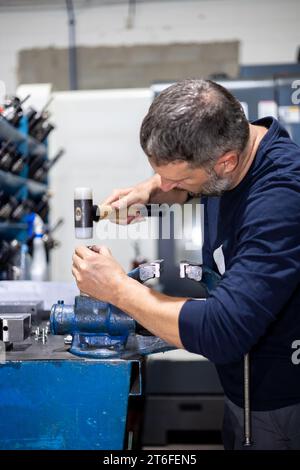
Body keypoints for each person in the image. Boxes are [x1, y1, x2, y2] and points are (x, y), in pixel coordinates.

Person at [72, 79, 300, 450]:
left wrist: (117, 288)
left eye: (177, 178)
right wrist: (148, 191)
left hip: (280, 407)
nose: (167, 185)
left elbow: (225, 330)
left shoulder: (280, 200)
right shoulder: (237, 149)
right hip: (241, 391)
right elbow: (197, 183)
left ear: (225, 162)